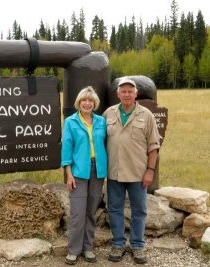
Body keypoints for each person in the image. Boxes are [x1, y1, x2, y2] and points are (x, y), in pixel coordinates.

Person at [103, 78, 160, 264]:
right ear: (118, 94)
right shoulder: (108, 114)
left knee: (139, 211)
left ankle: (137, 245)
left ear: (136, 94)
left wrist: (150, 170)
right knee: (114, 209)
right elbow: (100, 142)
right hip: (114, 173)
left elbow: (153, 147)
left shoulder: (147, 115)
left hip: (138, 173)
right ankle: (118, 243)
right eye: (123, 91)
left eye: (130, 91)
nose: (127, 94)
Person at [61, 86, 107, 264]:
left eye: (90, 100)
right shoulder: (71, 122)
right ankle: (73, 250)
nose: (87, 103)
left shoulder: (101, 121)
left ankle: (88, 248)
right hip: (78, 171)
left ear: (94, 103)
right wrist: (69, 174)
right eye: (83, 100)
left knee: (90, 211)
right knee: (77, 213)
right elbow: (66, 149)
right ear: (78, 103)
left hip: (98, 170)